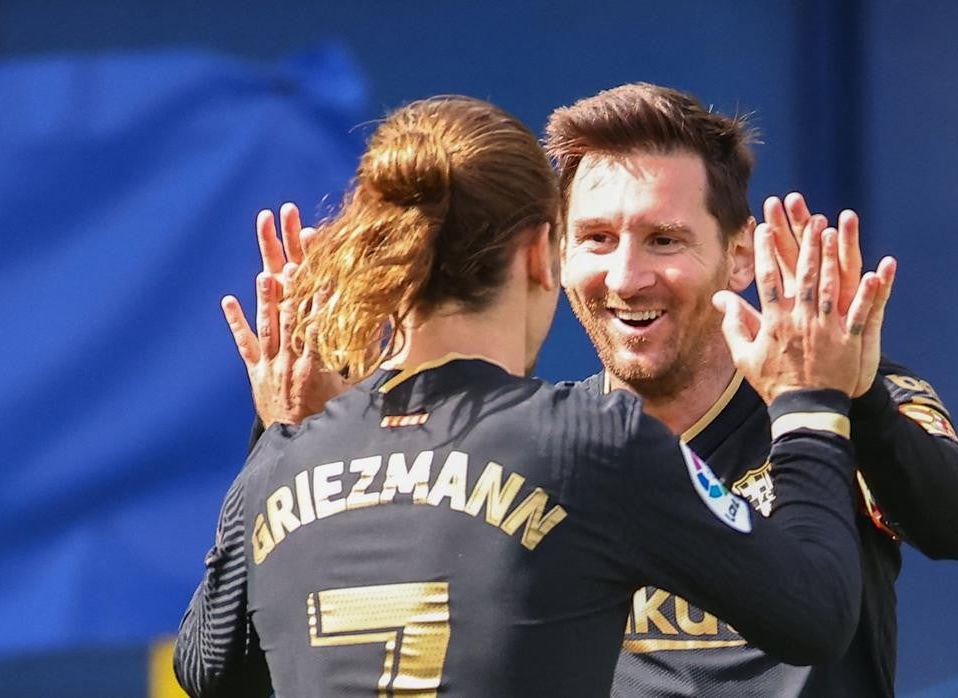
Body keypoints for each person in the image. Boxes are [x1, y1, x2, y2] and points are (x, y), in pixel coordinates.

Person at [175, 94, 895, 696]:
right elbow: (819, 614)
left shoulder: (283, 460)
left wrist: (285, 433)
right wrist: (808, 401)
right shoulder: (588, 439)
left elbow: (206, 670)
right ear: (538, 255)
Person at [544, 83, 958, 697]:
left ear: (740, 256)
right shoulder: (544, 441)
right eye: (597, 238)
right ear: (558, 254)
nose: (626, 276)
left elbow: (955, 526)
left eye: (664, 239)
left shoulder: (845, 391)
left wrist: (848, 399)